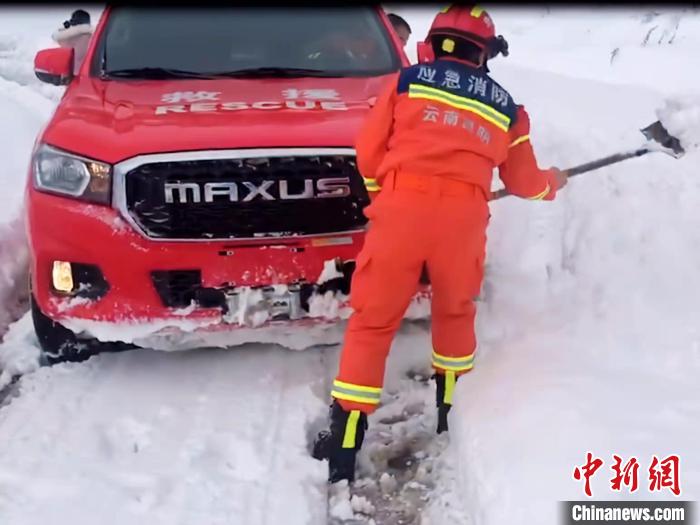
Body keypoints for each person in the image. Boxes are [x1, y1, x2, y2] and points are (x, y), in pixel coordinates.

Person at [312, 5, 568, 484]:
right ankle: (451, 415)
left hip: (399, 210)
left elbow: (368, 152)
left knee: (373, 321)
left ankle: (345, 445)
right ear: (484, 53)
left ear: (435, 41)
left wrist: (384, 193)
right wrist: (554, 181)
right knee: (454, 312)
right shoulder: (508, 108)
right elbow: (525, 183)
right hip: (463, 220)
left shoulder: (406, 82)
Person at [51, 9, 93, 75]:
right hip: (95, 75)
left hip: (78, 76)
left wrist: (64, 27)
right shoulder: (96, 36)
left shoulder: (71, 38)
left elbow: (55, 36)